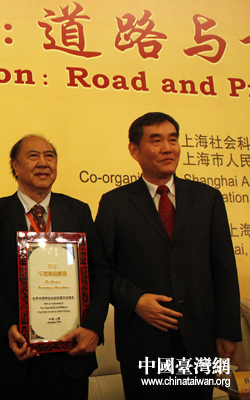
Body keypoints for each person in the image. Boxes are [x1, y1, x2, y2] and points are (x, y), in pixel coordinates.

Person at [95, 112, 241, 399]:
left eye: (173, 140)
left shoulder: (208, 198)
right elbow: (101, 269)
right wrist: (136, 300)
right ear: (134, 150)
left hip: (199, 339)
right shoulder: (115, 203)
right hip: (143, 340)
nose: (168, 148)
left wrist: (227, 331)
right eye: (156, 141)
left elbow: (224, 268)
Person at [0, 134, 112, 400]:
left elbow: (100, 273)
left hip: (71, 353)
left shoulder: (78, 211)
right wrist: (9, 325)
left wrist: (93, 327)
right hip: (15, 353)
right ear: (15, 165)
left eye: (50, 156)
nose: (43, 163)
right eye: (33, 156)